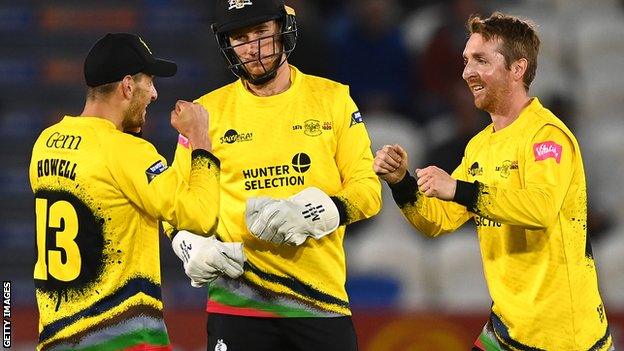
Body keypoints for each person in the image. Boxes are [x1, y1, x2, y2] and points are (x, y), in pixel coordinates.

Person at [373, 13, 614, 351]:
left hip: (563, 337)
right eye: (466, 60)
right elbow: (437, 221)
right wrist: (401, 184)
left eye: (481, 60)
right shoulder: (481, 146)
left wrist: (459, 189)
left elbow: (541, 209)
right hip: (508, 328)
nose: (467, 72)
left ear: (517, 68)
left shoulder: (547, 137)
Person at [164, 1, 381, 350]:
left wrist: (313, 213)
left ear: (284, 30)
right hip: (237, 306)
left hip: (318, 303)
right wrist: (191, 247)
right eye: (240, 37)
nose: (252, 47)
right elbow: (174, 206)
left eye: (261, 32)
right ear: (227, 44)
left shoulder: (333, 99)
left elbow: (368, 191)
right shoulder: (204, 114)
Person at [29, 33, 245, 351]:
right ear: (128, 86)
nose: (155, 94)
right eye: (150, 82)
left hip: (56, 338)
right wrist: (200, 139)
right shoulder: (128, 151)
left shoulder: (46, 143)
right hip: (123, 340)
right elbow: (200, 216)